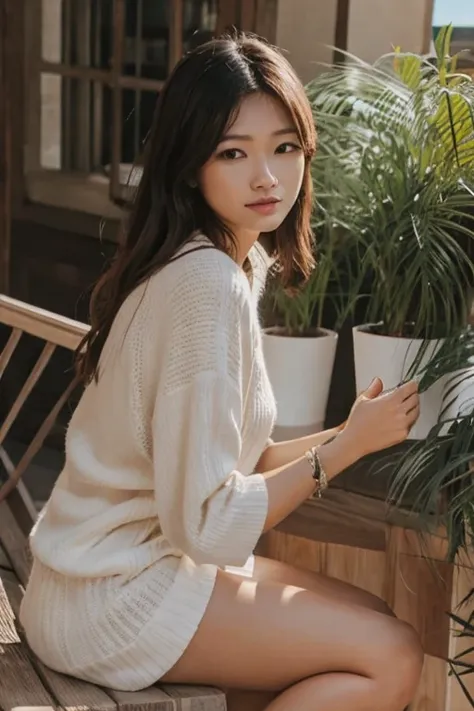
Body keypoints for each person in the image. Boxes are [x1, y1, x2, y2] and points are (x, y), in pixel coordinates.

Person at [20, 33, 423, 711]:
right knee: (391, 657)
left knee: (379, 619)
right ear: (190, 166)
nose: (266, 176)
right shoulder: (206, 285)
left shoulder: (222, 262)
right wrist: (345, 449)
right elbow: (205, 524)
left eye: (284, 147)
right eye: (234, 153)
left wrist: (350, 432)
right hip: (110, 595)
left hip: (117, 572)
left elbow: (238, 459)